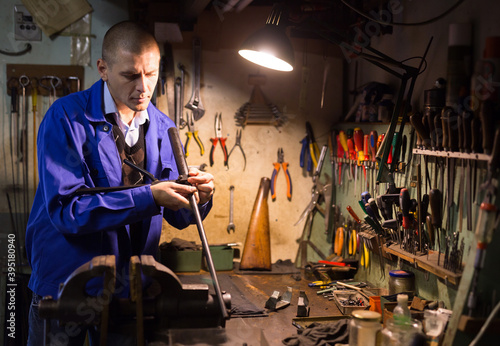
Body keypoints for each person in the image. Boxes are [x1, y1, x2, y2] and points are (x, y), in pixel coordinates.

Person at [26, 21, 214, 345]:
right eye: (130, 75)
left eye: (151, 74)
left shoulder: (162, 127)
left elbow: (179, 217)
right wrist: (150, 197)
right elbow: (68, 211)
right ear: (103, 69)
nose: (143, 87)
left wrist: (199, 195)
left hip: (129, 289)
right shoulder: (66, 119)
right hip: (66, 286)